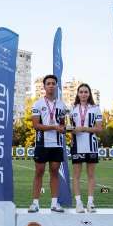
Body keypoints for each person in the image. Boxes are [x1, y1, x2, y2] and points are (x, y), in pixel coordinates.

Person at [30, 74, 68, 213]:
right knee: (39, 172)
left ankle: (54, 203)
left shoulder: (62, 104)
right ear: (44, 86)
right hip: (42, 143)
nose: (51, 85)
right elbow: (35, 125)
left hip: (57, 144)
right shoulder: (38, 104)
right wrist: (54, 127)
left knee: (54, 173)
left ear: (56, 86)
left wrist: (64, 129)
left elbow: (63, 125)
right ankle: (35, 203)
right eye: (48, 83)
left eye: (53, 83)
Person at [70, 83, 103, 213]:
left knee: (91, 175)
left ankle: (90, 202)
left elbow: (99, 129)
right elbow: (70, 128)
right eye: (81, 92)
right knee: (76, 175)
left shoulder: (95, 108)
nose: (83, 94)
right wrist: (71, 132)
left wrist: (83, 128)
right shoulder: (72, 109)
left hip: (91, 145)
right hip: (77, 145)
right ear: (78, 94)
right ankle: (78, 203)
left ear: (89, 94)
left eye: (86, 92)